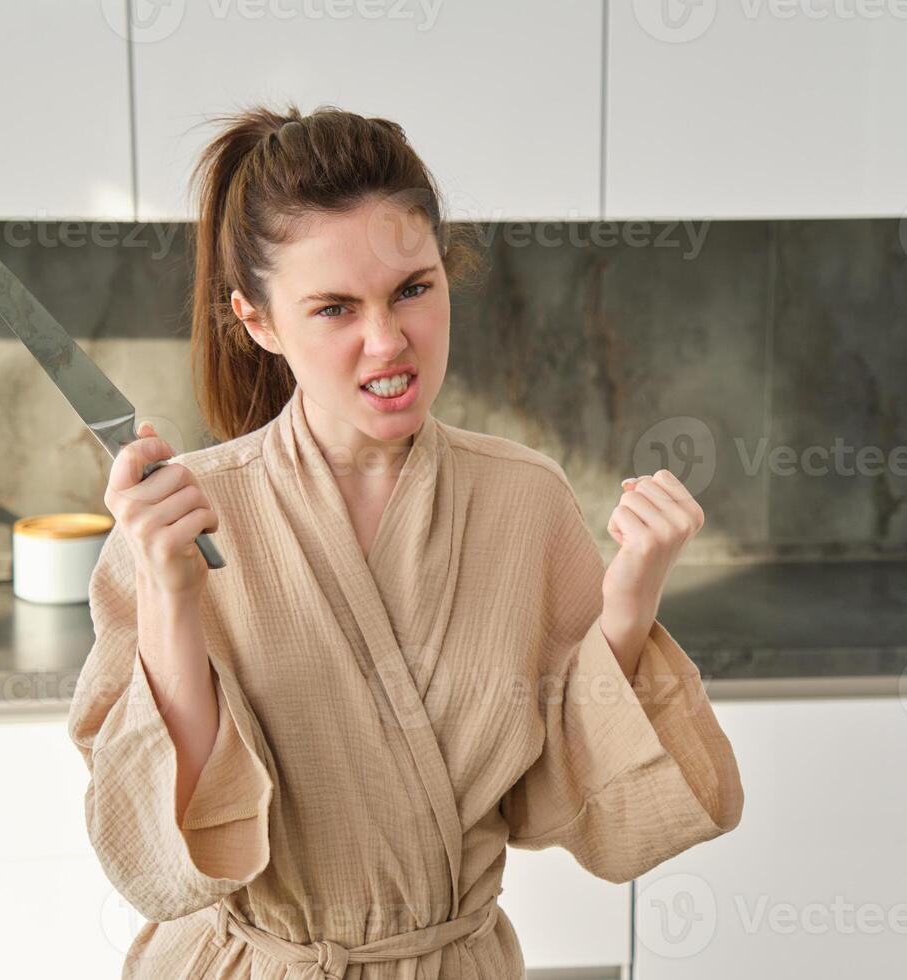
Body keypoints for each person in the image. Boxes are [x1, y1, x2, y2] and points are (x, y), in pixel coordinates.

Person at [68, 103, 744, 980]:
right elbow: (172, 845)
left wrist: (627, 602)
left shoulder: (523, 500)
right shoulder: (181, 519)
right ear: (259, 320)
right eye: (334, 308)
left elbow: (563, 796)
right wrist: (167, 596)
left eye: (413, 290)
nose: (388, 342)